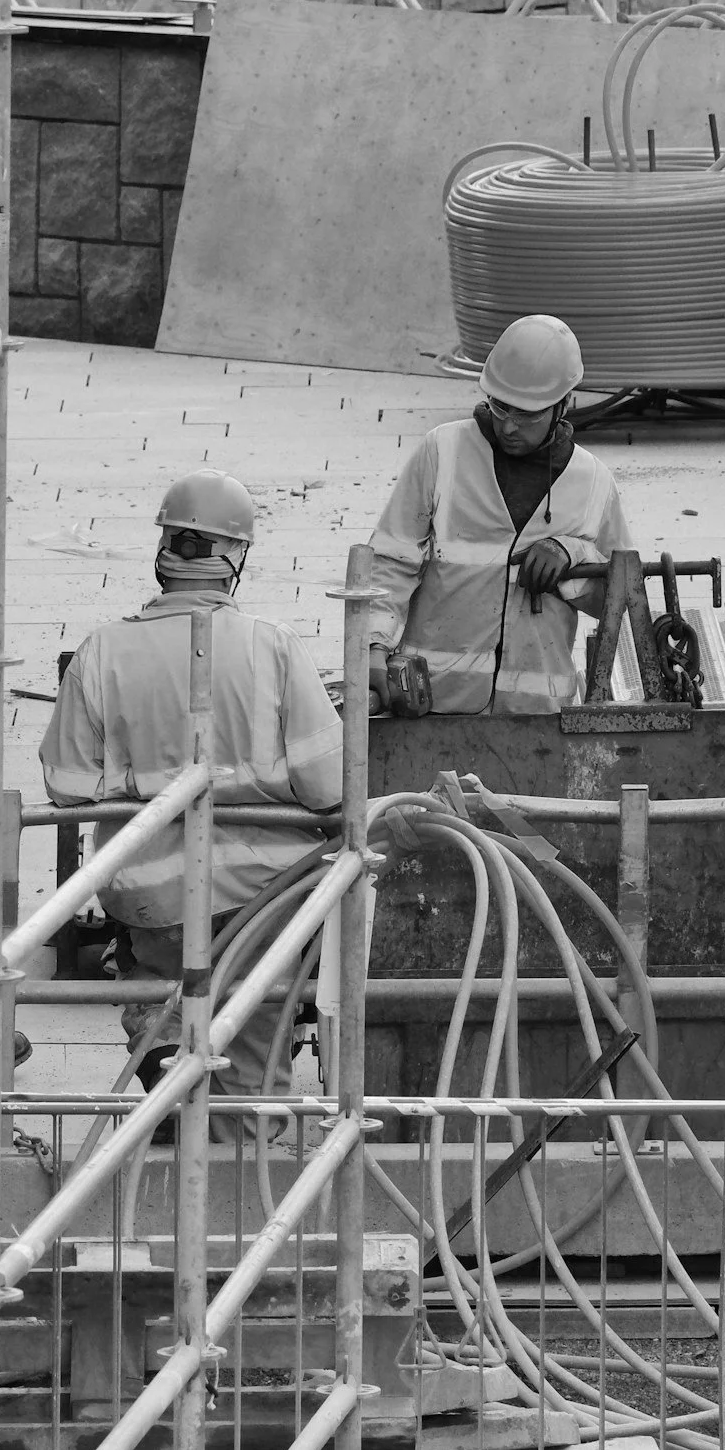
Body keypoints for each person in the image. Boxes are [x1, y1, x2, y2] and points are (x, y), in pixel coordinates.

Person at [39, 471, 344, 1120]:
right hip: (263, 893)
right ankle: (232, 1147)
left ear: (163, 552)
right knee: (249, 1050)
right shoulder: (273, 647)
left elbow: (66, 785)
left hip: (152, 895)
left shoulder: (102, 651)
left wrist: (145, 784)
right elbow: (329, 788)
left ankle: (173, 1094)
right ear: (236, 556)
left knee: (165, 1010)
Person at [363, 313, 631, 714]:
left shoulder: (593, 481)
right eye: (501, 407)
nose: (508, 427)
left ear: (563, 405)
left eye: (527, 414)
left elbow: (619, 598)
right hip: (434, 703)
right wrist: (373, 645)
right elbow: (390, 561)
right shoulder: (443, 452)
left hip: (535, 717)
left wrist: (572, 555)